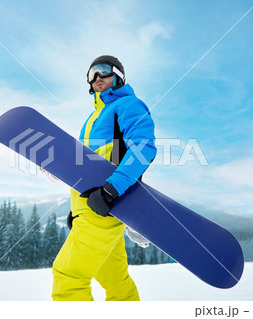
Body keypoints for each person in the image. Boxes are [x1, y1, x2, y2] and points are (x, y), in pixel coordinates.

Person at [52, 55, 157, 301]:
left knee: (68, 278)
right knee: (116, 281)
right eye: (91, 75)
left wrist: (112, 190)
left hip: (105, 204)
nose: (97, 78)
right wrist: (76, 211)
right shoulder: (93, 118)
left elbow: (143, 148)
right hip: (90, 207)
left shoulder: (128, 105)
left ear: (118, 75)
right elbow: (85, 168)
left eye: (103, 71)